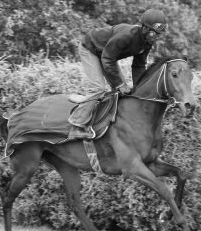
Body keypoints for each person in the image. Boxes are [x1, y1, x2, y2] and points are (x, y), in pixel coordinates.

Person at [68, 8, 168, 138]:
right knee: (99, 88)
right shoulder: (127, 35)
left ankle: (107, 121)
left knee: (122, 90)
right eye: (155, 34)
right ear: (145, 29)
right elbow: (107, 59)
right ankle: (77, 125)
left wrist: (139, 87)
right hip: (90, 49)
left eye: (159, 34)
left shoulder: (147, 42)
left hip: (107, 55)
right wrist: (120, 84)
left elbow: (139, 66)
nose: (157, 37)